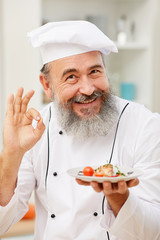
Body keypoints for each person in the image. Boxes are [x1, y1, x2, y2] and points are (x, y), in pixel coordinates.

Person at [0, 20, 160, 240]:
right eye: (71, 77)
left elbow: (153, 231)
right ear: (47, 85)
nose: (87, 89)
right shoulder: (37, 129)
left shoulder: (145, 126)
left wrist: (120, 197)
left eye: (94, 71)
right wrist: (11, 154)